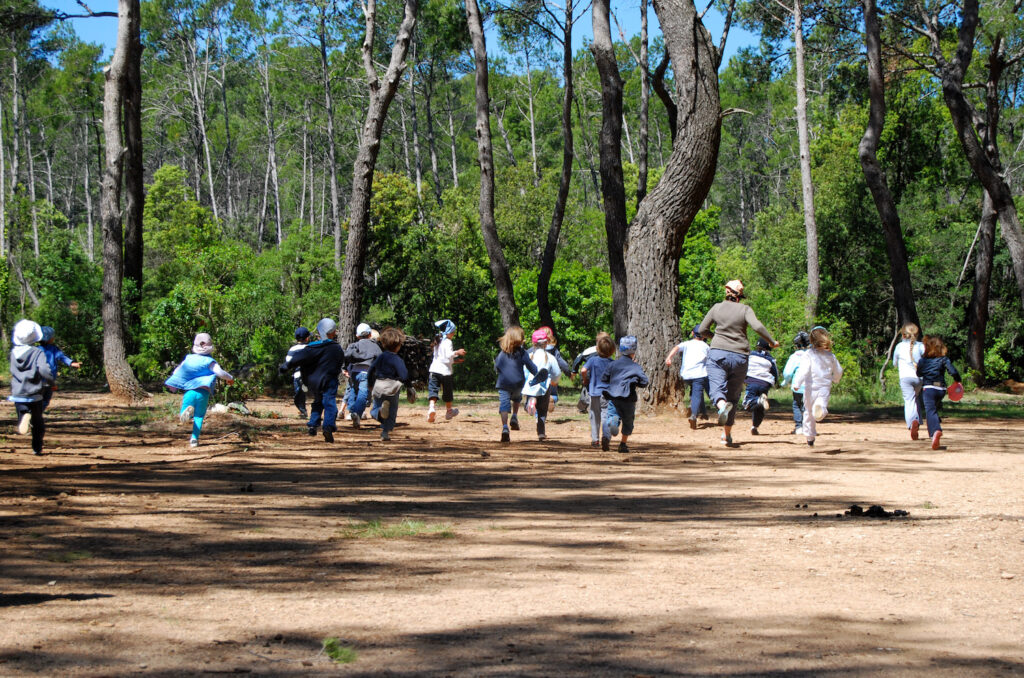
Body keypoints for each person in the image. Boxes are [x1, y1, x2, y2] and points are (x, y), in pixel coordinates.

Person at [697, 279, 779, 446]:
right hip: (740, 356)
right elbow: (757, 326)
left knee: (716, 388)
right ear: (740, 296)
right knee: (733, 396)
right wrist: (771, 341)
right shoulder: (745, 309)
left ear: (726, 292)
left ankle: (721, 407)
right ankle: (726, 435)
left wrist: (716, 338)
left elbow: (702, 330)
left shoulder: (716, 307)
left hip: (718, 354)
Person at [165, 333, 234, 448]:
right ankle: (194, 439)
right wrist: (230, 378)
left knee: (184, 412)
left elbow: (177, 371)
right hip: (203, 393)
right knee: (199, 416)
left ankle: (187, 413)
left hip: (190, 391)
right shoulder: (210, 361)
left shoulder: (189, 358)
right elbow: (220, 373)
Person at [281, 318, 345, 442]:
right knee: (329, 402)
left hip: (315, 382)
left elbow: (298, 358)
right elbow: (340, 362)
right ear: (333, 332)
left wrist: (285, 367)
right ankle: (328, 426)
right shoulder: (336, 348)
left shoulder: (312, 347)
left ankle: (313, 425)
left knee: (318, 402)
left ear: (320, 331)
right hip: (330, 380)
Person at [493, 325, 546, 443]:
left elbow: (497, 366)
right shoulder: (522, 352)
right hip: (518, 383)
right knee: (516, 399)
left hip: (503, 383)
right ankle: (515, 416)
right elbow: (531, 366)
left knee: (504, 405)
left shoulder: (502, 353)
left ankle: (505, 427)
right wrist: (538, 375)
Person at [8, 320, 53, 455]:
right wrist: (51, 382)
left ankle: (24, 414)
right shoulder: (37, 352)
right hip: (34, 393)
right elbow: (44, 370)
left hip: (17, 393)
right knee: (37, 421)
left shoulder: (13, 352)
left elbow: (12, 370)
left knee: (22, 412)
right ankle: (37, 448)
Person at [792, 326, 843, 447]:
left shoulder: (808, 354)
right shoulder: (830, 356)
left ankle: (810, 437)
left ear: (811, 340)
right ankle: (820, 409)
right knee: (821, 406)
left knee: (808, 412)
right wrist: (836, 379)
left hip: (810, 388)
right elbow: (839, 371)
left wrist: (797, 384)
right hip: (824, 387)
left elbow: (803, 370)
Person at [916, 336, 961, 450]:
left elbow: (919, 374)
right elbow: (953, 371)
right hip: (941, 389)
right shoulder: (944, 359)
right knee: (934, 410)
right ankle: (935, 432)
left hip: (928, 389)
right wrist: (958, 381)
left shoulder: (922, 360)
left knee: (930, 411)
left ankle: (935, 432)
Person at [367, 327, 410, 442]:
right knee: (392, 411)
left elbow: (371, 369)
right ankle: (385, 432)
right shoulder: (397, 359)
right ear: (398, 345)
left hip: (379, 385)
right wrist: (407, 384)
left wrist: (370, 383)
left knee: (375, 407)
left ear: (383, 344)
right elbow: (404, 375)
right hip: (392, 387)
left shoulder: (381, 357)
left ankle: (378, 412)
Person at [664, 325, 710, 429]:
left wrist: (669, 357)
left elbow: (676, 348)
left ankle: (703, 412)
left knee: (696, 391)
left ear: (692, 333)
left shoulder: (687, 344)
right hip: (699, 374)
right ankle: (694, 415)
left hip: (686, 375)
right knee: (697, 394)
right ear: (704, 336)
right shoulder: (706, 346)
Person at [521, 328, 562, 441]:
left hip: (531, 386)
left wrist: (524, 382)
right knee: (542, 410)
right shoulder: (550, 357)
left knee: (530, 403)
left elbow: (524, 371)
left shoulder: (529, 356)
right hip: (545, 387)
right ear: (546, 343)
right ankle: (541, 433)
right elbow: (557, 373)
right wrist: (554, 381)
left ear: (533, 343)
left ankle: (530, 403)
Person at [580, 332, 615, 447]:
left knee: (594, 416)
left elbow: (583, 370)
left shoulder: (593, 360)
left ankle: (595, 439)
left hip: (594, 392)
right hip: (607, 394)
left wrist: (585, 380)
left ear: (597, 349)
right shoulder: (612, 363)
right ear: (612, 351)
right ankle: (606, 436)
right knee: (606, 415)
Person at [427, 319, 465, 422]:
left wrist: (455, 361)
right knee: (448, 392)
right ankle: (449, 412)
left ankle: (431, 408)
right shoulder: (448, 341)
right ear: (448, 331)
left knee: (433, 390)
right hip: (445, 372)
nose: (454, 333)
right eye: (453, 331)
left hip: (434, 370)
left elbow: (441, 358)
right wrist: (457, 352)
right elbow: (448, 355)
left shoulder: (437, 340)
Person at [344, 322, 381, 428]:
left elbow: (346, 356)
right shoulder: (375, 346)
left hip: (355, 373)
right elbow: (380, 359)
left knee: (354, 391)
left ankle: (352, 410)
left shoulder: (354, 345)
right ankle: (357, 413)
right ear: (370, 334)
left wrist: (345, 369)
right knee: (363, 393)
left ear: (357, 336)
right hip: (367, 373)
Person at [893, 322, 926, 440]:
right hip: (919, 378)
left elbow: (894, 363)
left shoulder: (899, 346)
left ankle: (913, 422)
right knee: (915, 398)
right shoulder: (921, 346)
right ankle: (917, 420)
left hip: (905, 377)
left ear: (903, 335)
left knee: (909, 401)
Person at [38, 326, 82, 411]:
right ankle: (36, 414)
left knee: (42, 400)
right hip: (44, 380)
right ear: (48, 339)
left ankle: (35, 414)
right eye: (52, 336)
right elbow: (62, 357)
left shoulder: (41, 349)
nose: (53, 338)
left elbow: (62, 357)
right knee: (44, 399)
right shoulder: (50, 350)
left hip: (42, 380)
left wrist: (71, 362)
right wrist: (71, 363)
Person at [743, 338, 779, 435]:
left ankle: (759, 400)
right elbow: (775, 373)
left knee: (747, 403)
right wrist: (774, 383)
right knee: (759, 408)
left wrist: (743, 378)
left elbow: (743, 366)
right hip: (765, 384)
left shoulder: (750, 355)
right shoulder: (770, 359)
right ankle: (755, 426)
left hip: (752, 382)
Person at [780, 331, 810, 434]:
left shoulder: (795, 356)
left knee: (797, 405)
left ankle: (799, 427)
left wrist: (785, 382)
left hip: (798, 386)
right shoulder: (813, 355)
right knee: (808, 406)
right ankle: (807, 426)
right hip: (811, 386)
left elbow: (788, 373)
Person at [537, 326, 572, 408]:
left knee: (538, 397)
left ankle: (537, 414)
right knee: (553, 394)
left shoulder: (534, 350)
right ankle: (552, 398)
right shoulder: (554, 351)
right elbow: (563, 364)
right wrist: (569, 373)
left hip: (538, 377)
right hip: (552, 379)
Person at [286, 327, 311, 418]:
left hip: (298, 375)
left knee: (299, 394)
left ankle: (302, 410)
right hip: (310, 374)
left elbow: (288, 361)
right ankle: (314, 411)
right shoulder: (310, 348)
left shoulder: (293, 349)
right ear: (307, 338)